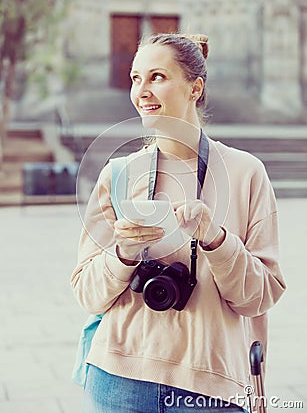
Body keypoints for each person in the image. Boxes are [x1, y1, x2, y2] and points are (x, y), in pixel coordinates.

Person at [71, 33, 286, 413]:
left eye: (157, 77)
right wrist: (123, 253)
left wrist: (216, 239)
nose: (142, 91)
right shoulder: (118, 173)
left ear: (194, 87)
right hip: (119, 379)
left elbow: (260, 296)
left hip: (210, 388)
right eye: (136, 78)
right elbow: (88, 294)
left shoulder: (245, 172)